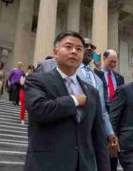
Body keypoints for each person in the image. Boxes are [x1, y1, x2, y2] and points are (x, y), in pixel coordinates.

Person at [23, 31, 110, 171]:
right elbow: (39, 109)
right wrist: (73, 100)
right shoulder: (37, 80)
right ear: (55, 51)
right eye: (68, 47)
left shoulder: (92, 92)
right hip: (46, 164)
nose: (74, 51)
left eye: (79, 49)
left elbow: (98, 137)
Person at [76, 38, 118, 165]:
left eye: (92, 47)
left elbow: (103, 110)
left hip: (95, 129)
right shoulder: (71, 70)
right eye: (85, 45)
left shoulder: (98, 79)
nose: (89, 48)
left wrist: (110, 132)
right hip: (75, 127)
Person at [93, 49, 124, 171]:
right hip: (102, 113)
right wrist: (97, 67)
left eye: (115, 62)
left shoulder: (119, 78)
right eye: (110, 61)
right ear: (104, 59)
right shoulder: (97, 74)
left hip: (116, 115)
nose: (112, 64)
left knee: (113, 151)